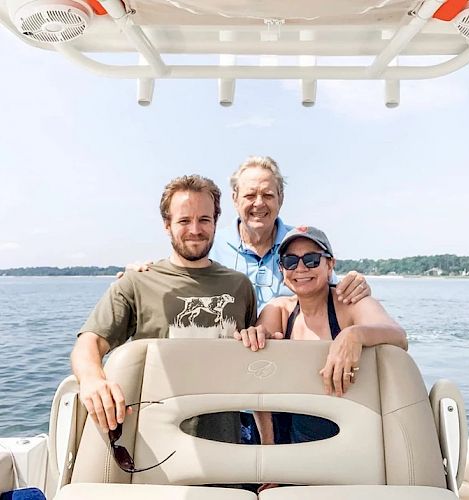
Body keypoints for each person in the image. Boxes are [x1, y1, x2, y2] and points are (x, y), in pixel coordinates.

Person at [71, 174, 256, 445]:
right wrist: (92, 380)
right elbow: (90, 342)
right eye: (183, 220)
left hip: (225, 445)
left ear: (216, 222)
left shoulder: (239, 286)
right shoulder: (136, 281)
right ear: (167, 225)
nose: (195, 229)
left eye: (204, 219)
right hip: (152, 445)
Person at [121, 157, 371, 313]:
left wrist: (356, 287)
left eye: (268, 195)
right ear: (235, 199)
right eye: (250, 195)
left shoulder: (302, 247)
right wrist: (142, 275)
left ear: (281, 199)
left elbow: (336, 292)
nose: (259, 203)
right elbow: (177, 274)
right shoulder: (209, 244)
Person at [235, 226, 408, 448]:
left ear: (330, 265)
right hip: (292, 444)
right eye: (290, 261)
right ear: (281, 269)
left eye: (312, 259)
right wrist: (271, 461)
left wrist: (353, 335)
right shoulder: (279, 311)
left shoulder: (350, 304)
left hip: (351, 439)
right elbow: (257, 376)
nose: (300, 268)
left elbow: (398, 336)